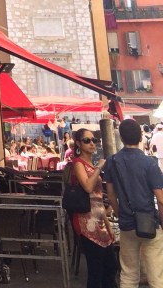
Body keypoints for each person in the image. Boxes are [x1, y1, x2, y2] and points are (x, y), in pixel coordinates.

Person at [104, 118, 163, 288]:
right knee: (156, 275)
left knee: (129, 273)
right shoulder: (149, 163)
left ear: (121, 138)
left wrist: (121, 213)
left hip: (127, 224)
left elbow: (111, 195)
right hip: (149, 223)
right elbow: (160, 199)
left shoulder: (112, 162)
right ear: (140, 137)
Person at [67, 127, 117, 288]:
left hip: (98, 219)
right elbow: (88, 187)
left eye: (94, 140)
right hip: (86, 221)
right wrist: (99, 168)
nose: (92, 144)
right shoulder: (78, 163)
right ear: (78, 144)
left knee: (110, 265)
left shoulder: (90, 164)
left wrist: (108, 225)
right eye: (87, 140)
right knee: (96, 268)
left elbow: (98, 199)